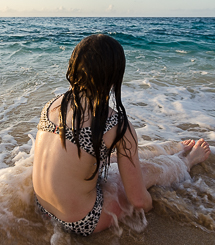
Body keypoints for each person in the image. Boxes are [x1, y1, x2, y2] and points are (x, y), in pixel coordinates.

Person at [32, 34, 211, 236]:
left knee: (107, 157)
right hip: (82, 221)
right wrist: (152, 212)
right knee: (148, 171)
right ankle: (186, 162)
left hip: (44, 207)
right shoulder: (115, 124)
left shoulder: (52, 105)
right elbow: (139, 201)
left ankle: (172, 148)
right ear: (113, 75)